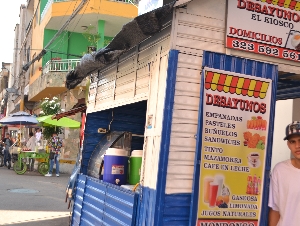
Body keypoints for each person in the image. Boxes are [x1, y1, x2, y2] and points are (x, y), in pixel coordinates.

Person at [268, 121, 300, 226]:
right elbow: (275, 209)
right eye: (292, 142)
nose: (297, 146)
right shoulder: (280, 170)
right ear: (288, 144)